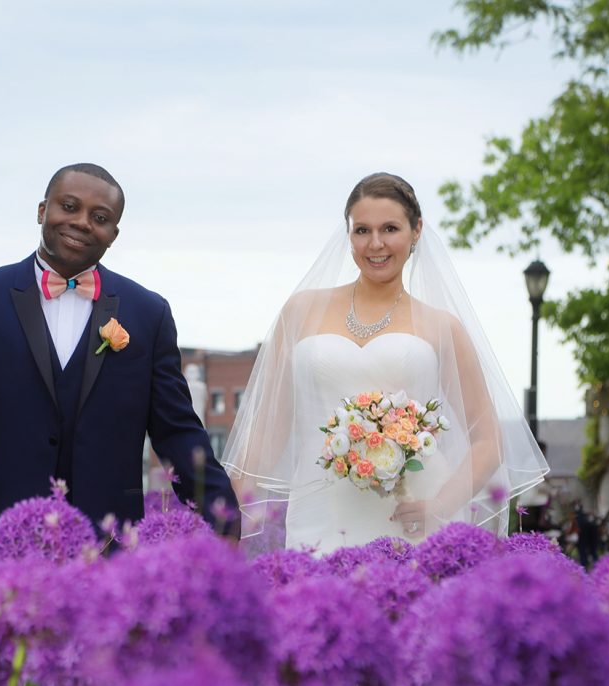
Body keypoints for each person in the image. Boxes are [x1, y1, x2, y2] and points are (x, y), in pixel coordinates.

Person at [222, 172, 547, 552]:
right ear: (349, 235)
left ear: (416, 231)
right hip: (318, 512)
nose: (375, 244)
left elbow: (488, 440)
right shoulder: (300, 312)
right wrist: (225, 518)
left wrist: (439, 506)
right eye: (362, 230)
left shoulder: (443, 327)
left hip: (413, 517)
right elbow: (265, 433)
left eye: (390, 228)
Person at [0, 163, 238, 546]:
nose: (82, 222)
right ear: (42, 211)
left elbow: (178, 430)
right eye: (69, 207)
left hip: (108, 545)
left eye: (99, 217)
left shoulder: (148, 314)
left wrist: (224, 520)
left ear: (113, 234)